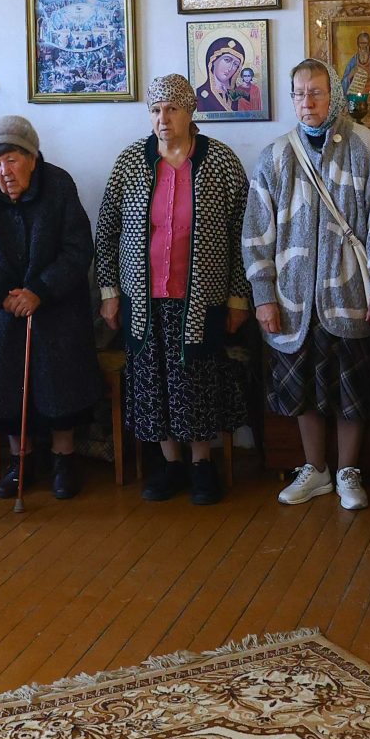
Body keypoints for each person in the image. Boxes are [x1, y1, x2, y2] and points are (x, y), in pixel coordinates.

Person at [97, 74, 253, 506]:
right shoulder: (131, 162)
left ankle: (202, 464)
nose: (162, 118)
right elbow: (106, 230)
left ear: (190, 112)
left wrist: (239, 297)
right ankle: (171, 463)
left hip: (201, 298)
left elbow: (244, 234)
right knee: (152, 381)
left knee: (197, 379)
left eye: (171, 109)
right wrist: (109, 292)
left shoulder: (220, 162)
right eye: (155, 110)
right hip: (143, 299)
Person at [244, 59, 370, 513]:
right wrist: (263, 296)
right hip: (293, 297)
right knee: (303, 387)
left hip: (349, 293)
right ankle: (316, 469)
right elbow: (257, 232)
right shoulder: (275, 155)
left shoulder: (364, 146)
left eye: (316, 92)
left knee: (351, 390)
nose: (307, 102)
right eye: (299, 93)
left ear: (334, 96)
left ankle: (348, 471)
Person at [0, 115, 102, 502]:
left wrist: (40, 290)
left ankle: (64, 459)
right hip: (0, 310)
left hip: (57, 306)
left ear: (32, 158)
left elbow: (77, 248)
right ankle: (21, 461)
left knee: (61, 382)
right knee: (5, 382)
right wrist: (3, 293)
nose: (4, 172)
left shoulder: (59, 185)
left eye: (12, 160)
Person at [195, 35, 259, 116]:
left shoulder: (240, 95)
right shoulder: (200, 94)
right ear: (213, 61)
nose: (230, 68)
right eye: (227, 60)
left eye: (236, 64)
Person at [341, 32, 370, 102]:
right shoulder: (353, 61)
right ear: (358, 44)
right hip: (356, 98)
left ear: (369, 44)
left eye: (365, 43)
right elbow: (343, 84)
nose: (363, 46)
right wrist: (350, 75)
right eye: (361, 43)